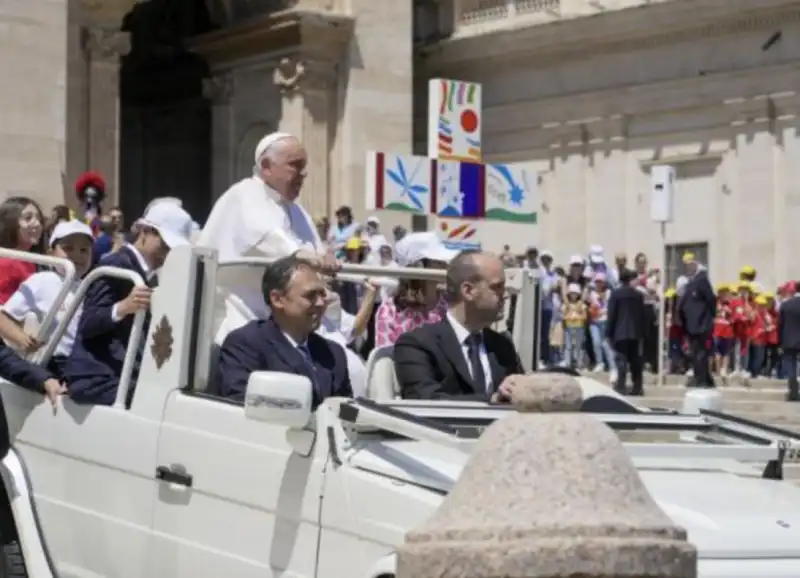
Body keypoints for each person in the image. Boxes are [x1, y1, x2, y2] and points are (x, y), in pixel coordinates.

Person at [196, 132, 337, 342]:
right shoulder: (243, 194)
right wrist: (301, 255)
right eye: (295, 165)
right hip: (242, 307)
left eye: (304, 166)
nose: (304, 173)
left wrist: (325, 258)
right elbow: (264, 235)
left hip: (293, 315)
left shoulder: (297, 210)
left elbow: (316, 251)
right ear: (266, 166)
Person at [64, 203, 194, 406]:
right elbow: (88, 323)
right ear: (145, 232)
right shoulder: (116, 265)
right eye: (166, 244)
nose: (168, 252)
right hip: (96, 378)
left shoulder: (148, 276)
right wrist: (123, 307)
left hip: (122, 375)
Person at [213, 256, 352, 405]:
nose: (320, 303)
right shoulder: (246, 345)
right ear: (278, 299)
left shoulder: (333, 354)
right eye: (310, 296)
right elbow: (242, 406)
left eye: (322, 294)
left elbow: (347, 413)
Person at [394, 250, 523, 401]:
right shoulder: (416, 345)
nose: (505, 294)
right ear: (468, 291)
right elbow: (426, 400)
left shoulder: (502, 346)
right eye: (497, 287)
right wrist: (493, 400)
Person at [0, 221, 94, 377]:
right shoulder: (42, 280)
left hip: (85, 361)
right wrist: (22, 340)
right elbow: (3, 317)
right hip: (58, 362)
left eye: (84, 250)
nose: (77, 255)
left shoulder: (91, 285)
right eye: (68, 248)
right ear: (51, 254)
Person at [677, 254, 716, 388]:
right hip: (700, 324)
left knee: (699, 352)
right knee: (700, 352)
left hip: (694, 324)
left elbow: (681, 307)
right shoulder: (699, 282)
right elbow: (711, 300)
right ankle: (702, 379)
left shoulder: (691, 285)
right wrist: (712, 315)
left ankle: (704, 378)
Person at [606, 268, 647, 396]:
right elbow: (642, 315)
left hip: (620, 331)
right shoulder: (638, 295)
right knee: (636, 360)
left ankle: (621, 385)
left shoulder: (615, 294)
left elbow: (612, 314)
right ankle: (637, 386)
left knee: (621, 360)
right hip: (636, 332)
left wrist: (608, 332)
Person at [0, 197, 45, 304]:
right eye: (28, 218)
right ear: (9, 223)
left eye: (39, 219)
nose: (37, 224)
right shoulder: (5, 263)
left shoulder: (31, 261)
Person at [778, 281, 800, 401]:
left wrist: (780, 341)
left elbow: (780, 325)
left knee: (790, 365)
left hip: (789, 340)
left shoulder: (786, 305)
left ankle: (793, 390)